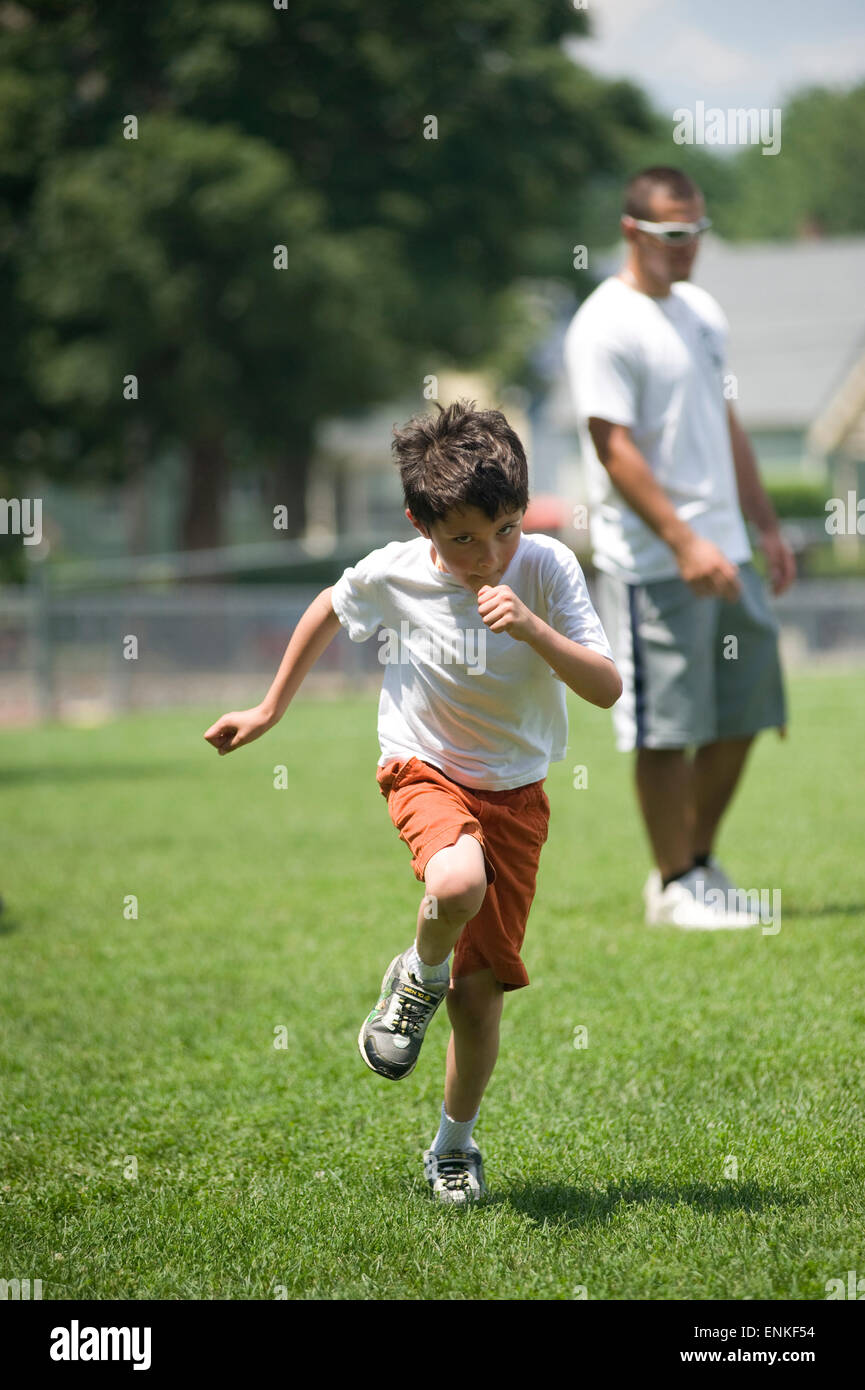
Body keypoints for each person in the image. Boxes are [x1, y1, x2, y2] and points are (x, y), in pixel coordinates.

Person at [204, 401, 621, 1202]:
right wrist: (268, 709)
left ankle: (453, 1147)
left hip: (517, 796)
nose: (486, 554)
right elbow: (331, 603)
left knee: (480, 999)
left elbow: (605, 688)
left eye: (502, 528)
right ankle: (415, 976)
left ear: (521, 512)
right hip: (422, 768)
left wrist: (533, 629)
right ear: (420, 525)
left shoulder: (545, 570)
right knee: (456, 884)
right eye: (461, 538)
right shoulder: (396, 569)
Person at [564, 166, 796, 930]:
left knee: (745, 707)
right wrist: (683, 540)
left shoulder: (700, 311)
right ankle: (672, 882)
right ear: (632, 232)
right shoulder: (603, 324)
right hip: (658, 561)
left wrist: (763, 525)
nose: (689, 246)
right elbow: (613, 448)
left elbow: (723, 423)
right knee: (667, 728)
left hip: (727, 550)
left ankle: (694, 865)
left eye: (696, 230)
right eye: (672, 234)